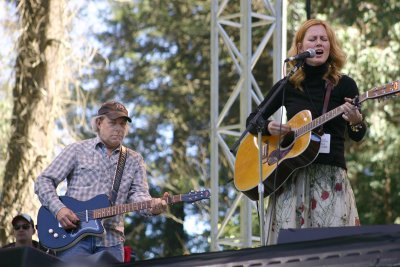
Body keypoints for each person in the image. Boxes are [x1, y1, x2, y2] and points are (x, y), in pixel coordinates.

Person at [246, 19, 367, 244]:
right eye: (313, 39)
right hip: (290, 178)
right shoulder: (287, 85)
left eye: (324, 39)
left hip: (330, 179)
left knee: (334, 251)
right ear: (301, 47)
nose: (319, 43)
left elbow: (358, 134)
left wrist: (356, 120)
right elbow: (252, 121)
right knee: (290, 255)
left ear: (330, 46)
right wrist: (268, 127)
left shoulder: (345, 85)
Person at [34, 100, 168, 262]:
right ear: (99, 123)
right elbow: (44, 181)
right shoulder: (77, 150)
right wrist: (59, 210)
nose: (119, 129)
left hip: (111, 241)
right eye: (113, 123)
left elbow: (139, 196)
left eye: (122, 124)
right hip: (73, 238)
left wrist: (153, 207)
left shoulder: (134, 159)